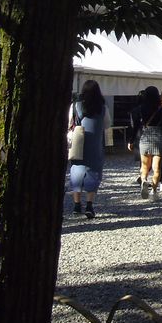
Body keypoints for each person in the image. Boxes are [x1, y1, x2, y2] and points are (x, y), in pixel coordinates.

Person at [69, 80, 108, 219]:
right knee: (94, 172)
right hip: (96, 144)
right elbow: (107, 125)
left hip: (79, 143)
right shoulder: (102, 107)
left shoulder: (76, 106)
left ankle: (77, 205)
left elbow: (70, 123)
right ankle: (90, 205)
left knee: (77, 171)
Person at [127, 85, 162, 199]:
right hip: (158, 138)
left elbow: (135, 127)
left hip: (144, 138)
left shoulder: (139, 109)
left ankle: (144, 180)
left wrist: (131, 141)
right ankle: (154, 191)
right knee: (156, 168)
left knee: (144, 166)